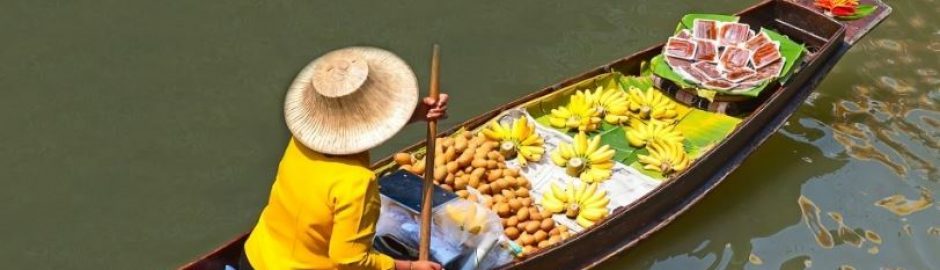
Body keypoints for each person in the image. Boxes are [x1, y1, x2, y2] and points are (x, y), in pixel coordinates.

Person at [241, 47, 447, 270]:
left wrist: (416, 114)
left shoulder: (301, 142)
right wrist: (409, 267)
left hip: (255, 256)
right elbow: (350, 260)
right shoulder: (355, 183)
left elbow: (349, 134)